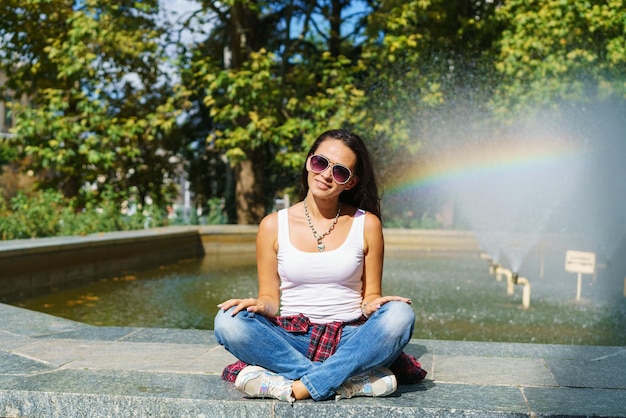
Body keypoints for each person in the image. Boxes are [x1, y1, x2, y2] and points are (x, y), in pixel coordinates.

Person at [214, 129, 424, 403]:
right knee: (227, 321)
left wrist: (374, 305)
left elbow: (370, 295)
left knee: (400, 315)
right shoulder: (272, 225)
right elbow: (270, 299)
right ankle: (345, 382)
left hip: (350, 339)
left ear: (351, 182)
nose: (326, 174)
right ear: (308, 161)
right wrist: (257, 305)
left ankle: (295, 385)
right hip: (292, 338)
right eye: (320, 162)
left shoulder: (367, 224)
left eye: (340, 172)